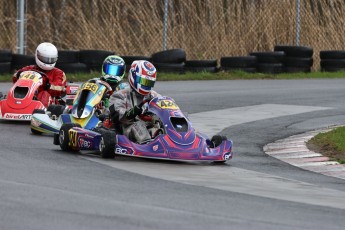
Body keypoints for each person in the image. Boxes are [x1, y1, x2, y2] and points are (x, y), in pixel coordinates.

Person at [108, 60, 160, 144]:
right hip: (127, 130)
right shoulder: (120, 95)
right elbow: (116, 116)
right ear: (134, 76)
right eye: (144, 81)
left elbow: (165, 105)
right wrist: (132, 112)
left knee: (162, 127)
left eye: (149, 83)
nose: (146, 85)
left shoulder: (154, 96)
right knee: (139, 125)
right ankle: (147, 145)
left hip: (150, 127)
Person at [13, 42, 66, 107]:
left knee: (44, 94)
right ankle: (11, 107)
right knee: (16, 91)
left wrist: (47, 85)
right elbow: (15, 77)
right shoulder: (29, 68)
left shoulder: (58, 73)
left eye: (51, 59)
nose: (48, 61)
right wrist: (19, 74)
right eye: (45, 58)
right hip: (28, 95)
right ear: (37, 55)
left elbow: (60, 89)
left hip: (49, 103)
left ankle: (39, 112)